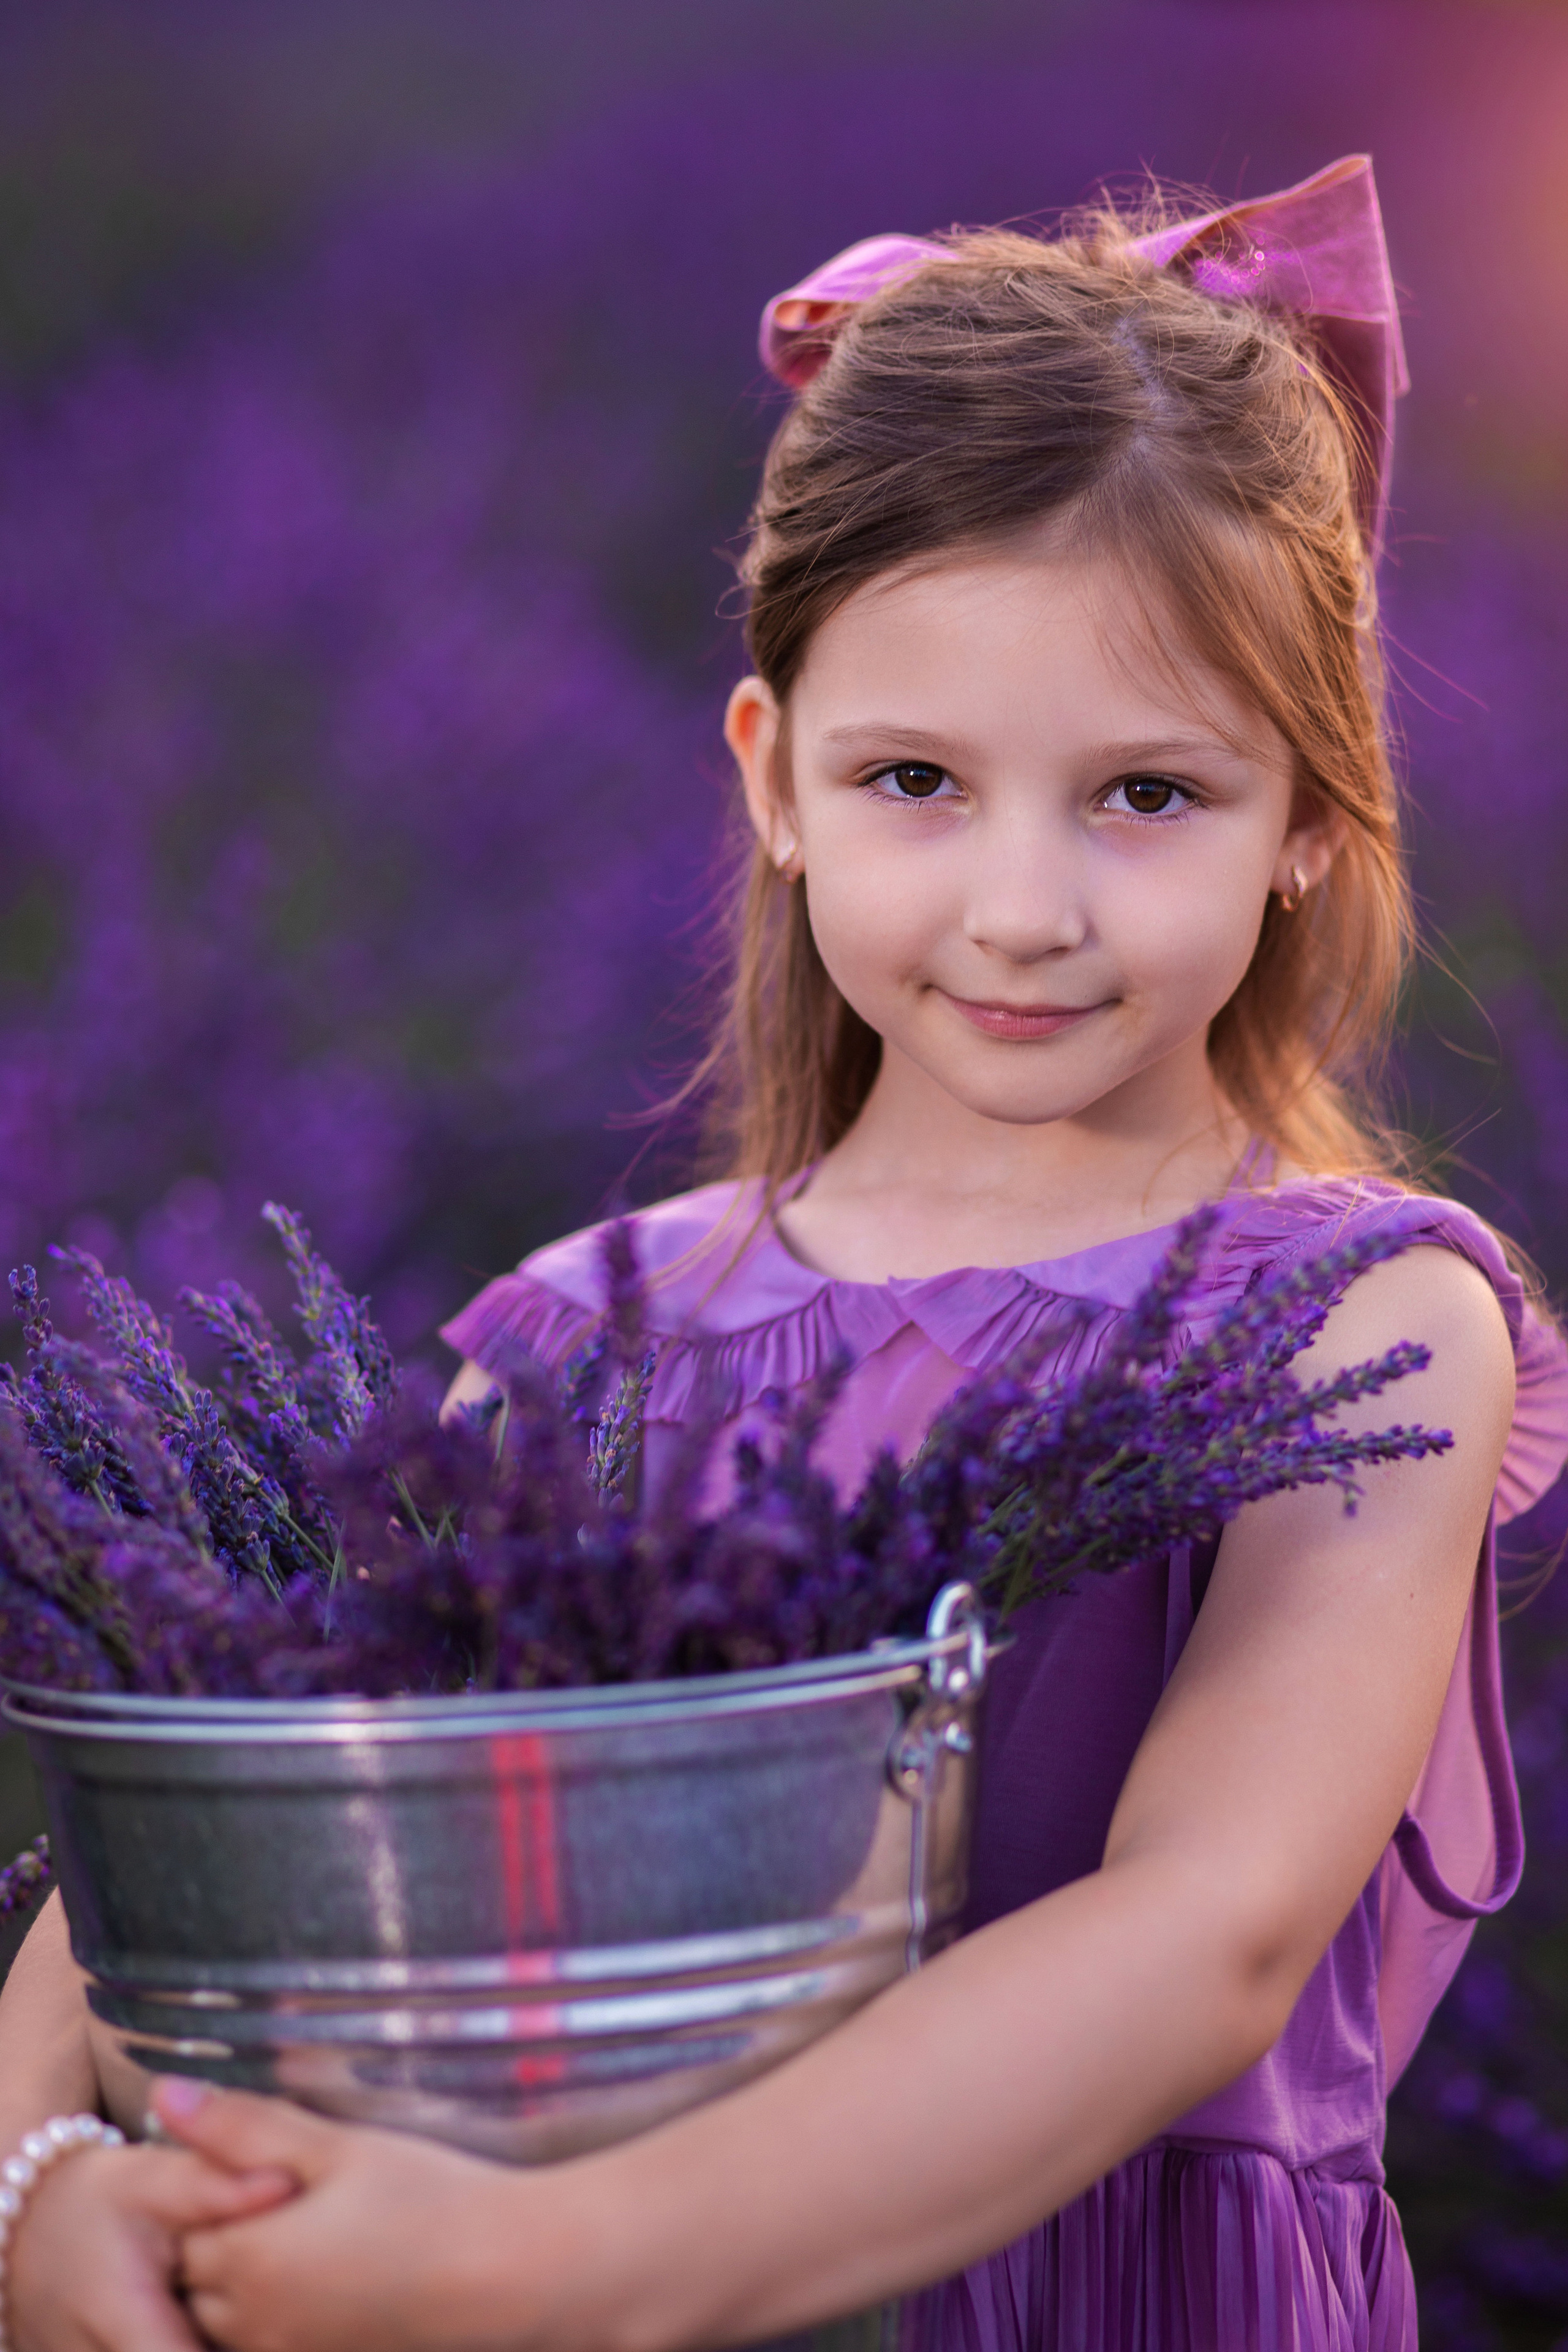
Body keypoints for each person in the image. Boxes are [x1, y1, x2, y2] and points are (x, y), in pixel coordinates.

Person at [4, 154, 1566, 2352]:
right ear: (774, 777)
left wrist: (555, 2263)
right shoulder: (574, 1340)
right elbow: (227, 1779)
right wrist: (40, 2171)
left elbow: (1203, 1931)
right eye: (917, 778)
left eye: (1150, 796)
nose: (1025, 906)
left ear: (1315, 815)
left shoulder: (1354, 1326)